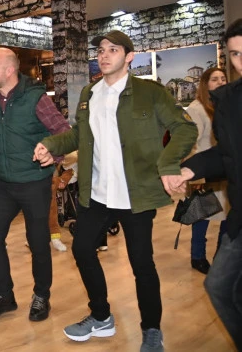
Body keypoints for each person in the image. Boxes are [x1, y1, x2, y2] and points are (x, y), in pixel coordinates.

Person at [33, 30, 197, 352]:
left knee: (141, 264)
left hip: (135, 195)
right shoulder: (89, 93)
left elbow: (184, 127)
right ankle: (101, 316)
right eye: (101, 51)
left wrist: (168, 164)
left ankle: (151, 329)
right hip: (97, 193)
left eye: (113, 50)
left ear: (129, 56)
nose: (104, 55)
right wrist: (50, 145)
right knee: (82, 250)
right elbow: (78, 135)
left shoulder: (150, 93)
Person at [0, 47, 71, 322]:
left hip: (34, 182)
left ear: (9, 70)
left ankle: (41, 295)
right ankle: (4, 295)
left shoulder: (36, 98)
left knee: (38, 242)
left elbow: (64, 132)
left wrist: (53, 153)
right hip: (2, 183)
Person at [178, 19, 242, 349]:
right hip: (239, 216)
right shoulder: (228, 100)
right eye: (235, 54)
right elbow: (226, 153)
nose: (241, 61)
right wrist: (188, 170)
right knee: (219, 287)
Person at [184, 67, 228, 274]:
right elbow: (191, 144)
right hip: (204, 171)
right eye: (214, 79)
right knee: (202, 217)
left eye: (223, 79)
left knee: (228, 216)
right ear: (205, 84)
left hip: (226, 171)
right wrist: (194, 175)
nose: (220, 82)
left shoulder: (226, 105)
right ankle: (198, 257)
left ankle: (221, 257)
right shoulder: (196, 108)